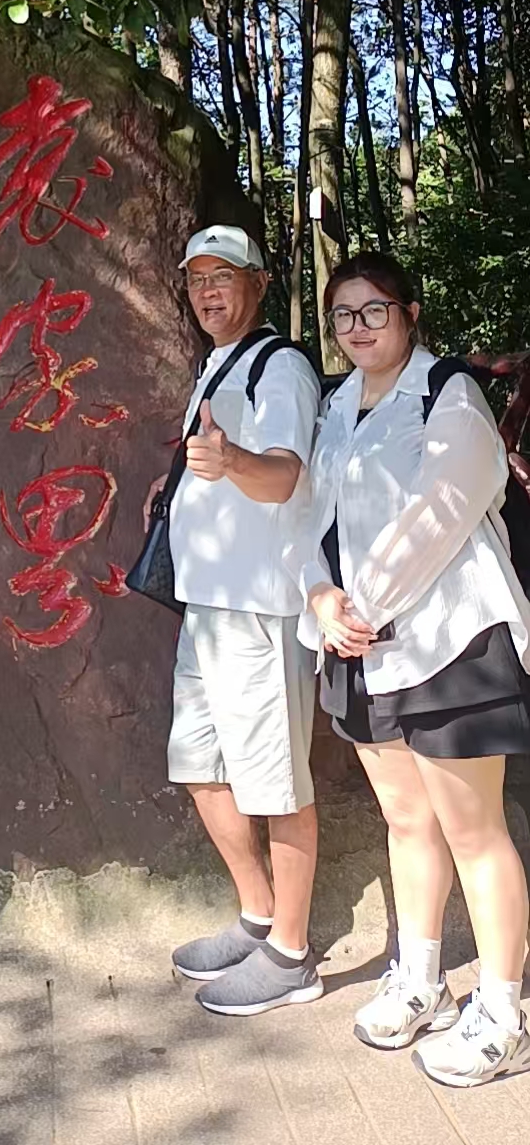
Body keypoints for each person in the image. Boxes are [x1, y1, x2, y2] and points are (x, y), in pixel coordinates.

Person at [303, 251, 530, 1087]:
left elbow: (444, 508)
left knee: (475, 830)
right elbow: (309, 515)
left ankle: (503, 1014)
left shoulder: (448, 394)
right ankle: (421, 977)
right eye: (344, 315)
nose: (358, 328)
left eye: (375, 310)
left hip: (448, 642)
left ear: (409, 313)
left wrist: (357, 605)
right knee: (406, 821)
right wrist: (319, 597)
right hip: (358, 644)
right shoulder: (336, 406)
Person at [148, 224, 323, 1015]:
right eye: (196, 280)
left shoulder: (280, 366)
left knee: (277, 783)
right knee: (200, 767)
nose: (208, 292)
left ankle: (292, 955)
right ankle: (259, 914)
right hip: (208, 607)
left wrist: (230, 463)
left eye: (224, 276)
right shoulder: (218, 363)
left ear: (259, 283)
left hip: (259, 608)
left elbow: (284, 476)